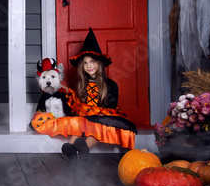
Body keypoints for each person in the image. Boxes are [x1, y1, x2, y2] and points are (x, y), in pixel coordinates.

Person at [32, 28, 138, 160]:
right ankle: (71, 147)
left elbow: (111, 107)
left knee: (97, 125)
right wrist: (62, 89)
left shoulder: (111, 85)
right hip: (85, 115)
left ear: (99, 63)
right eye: (85, 63)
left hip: (102, 116)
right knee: (79, 121)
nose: (89, 66)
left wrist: (95, 114)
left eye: (92, 61)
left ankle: (84, 149)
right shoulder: (82, 84)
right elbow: (77, 100)